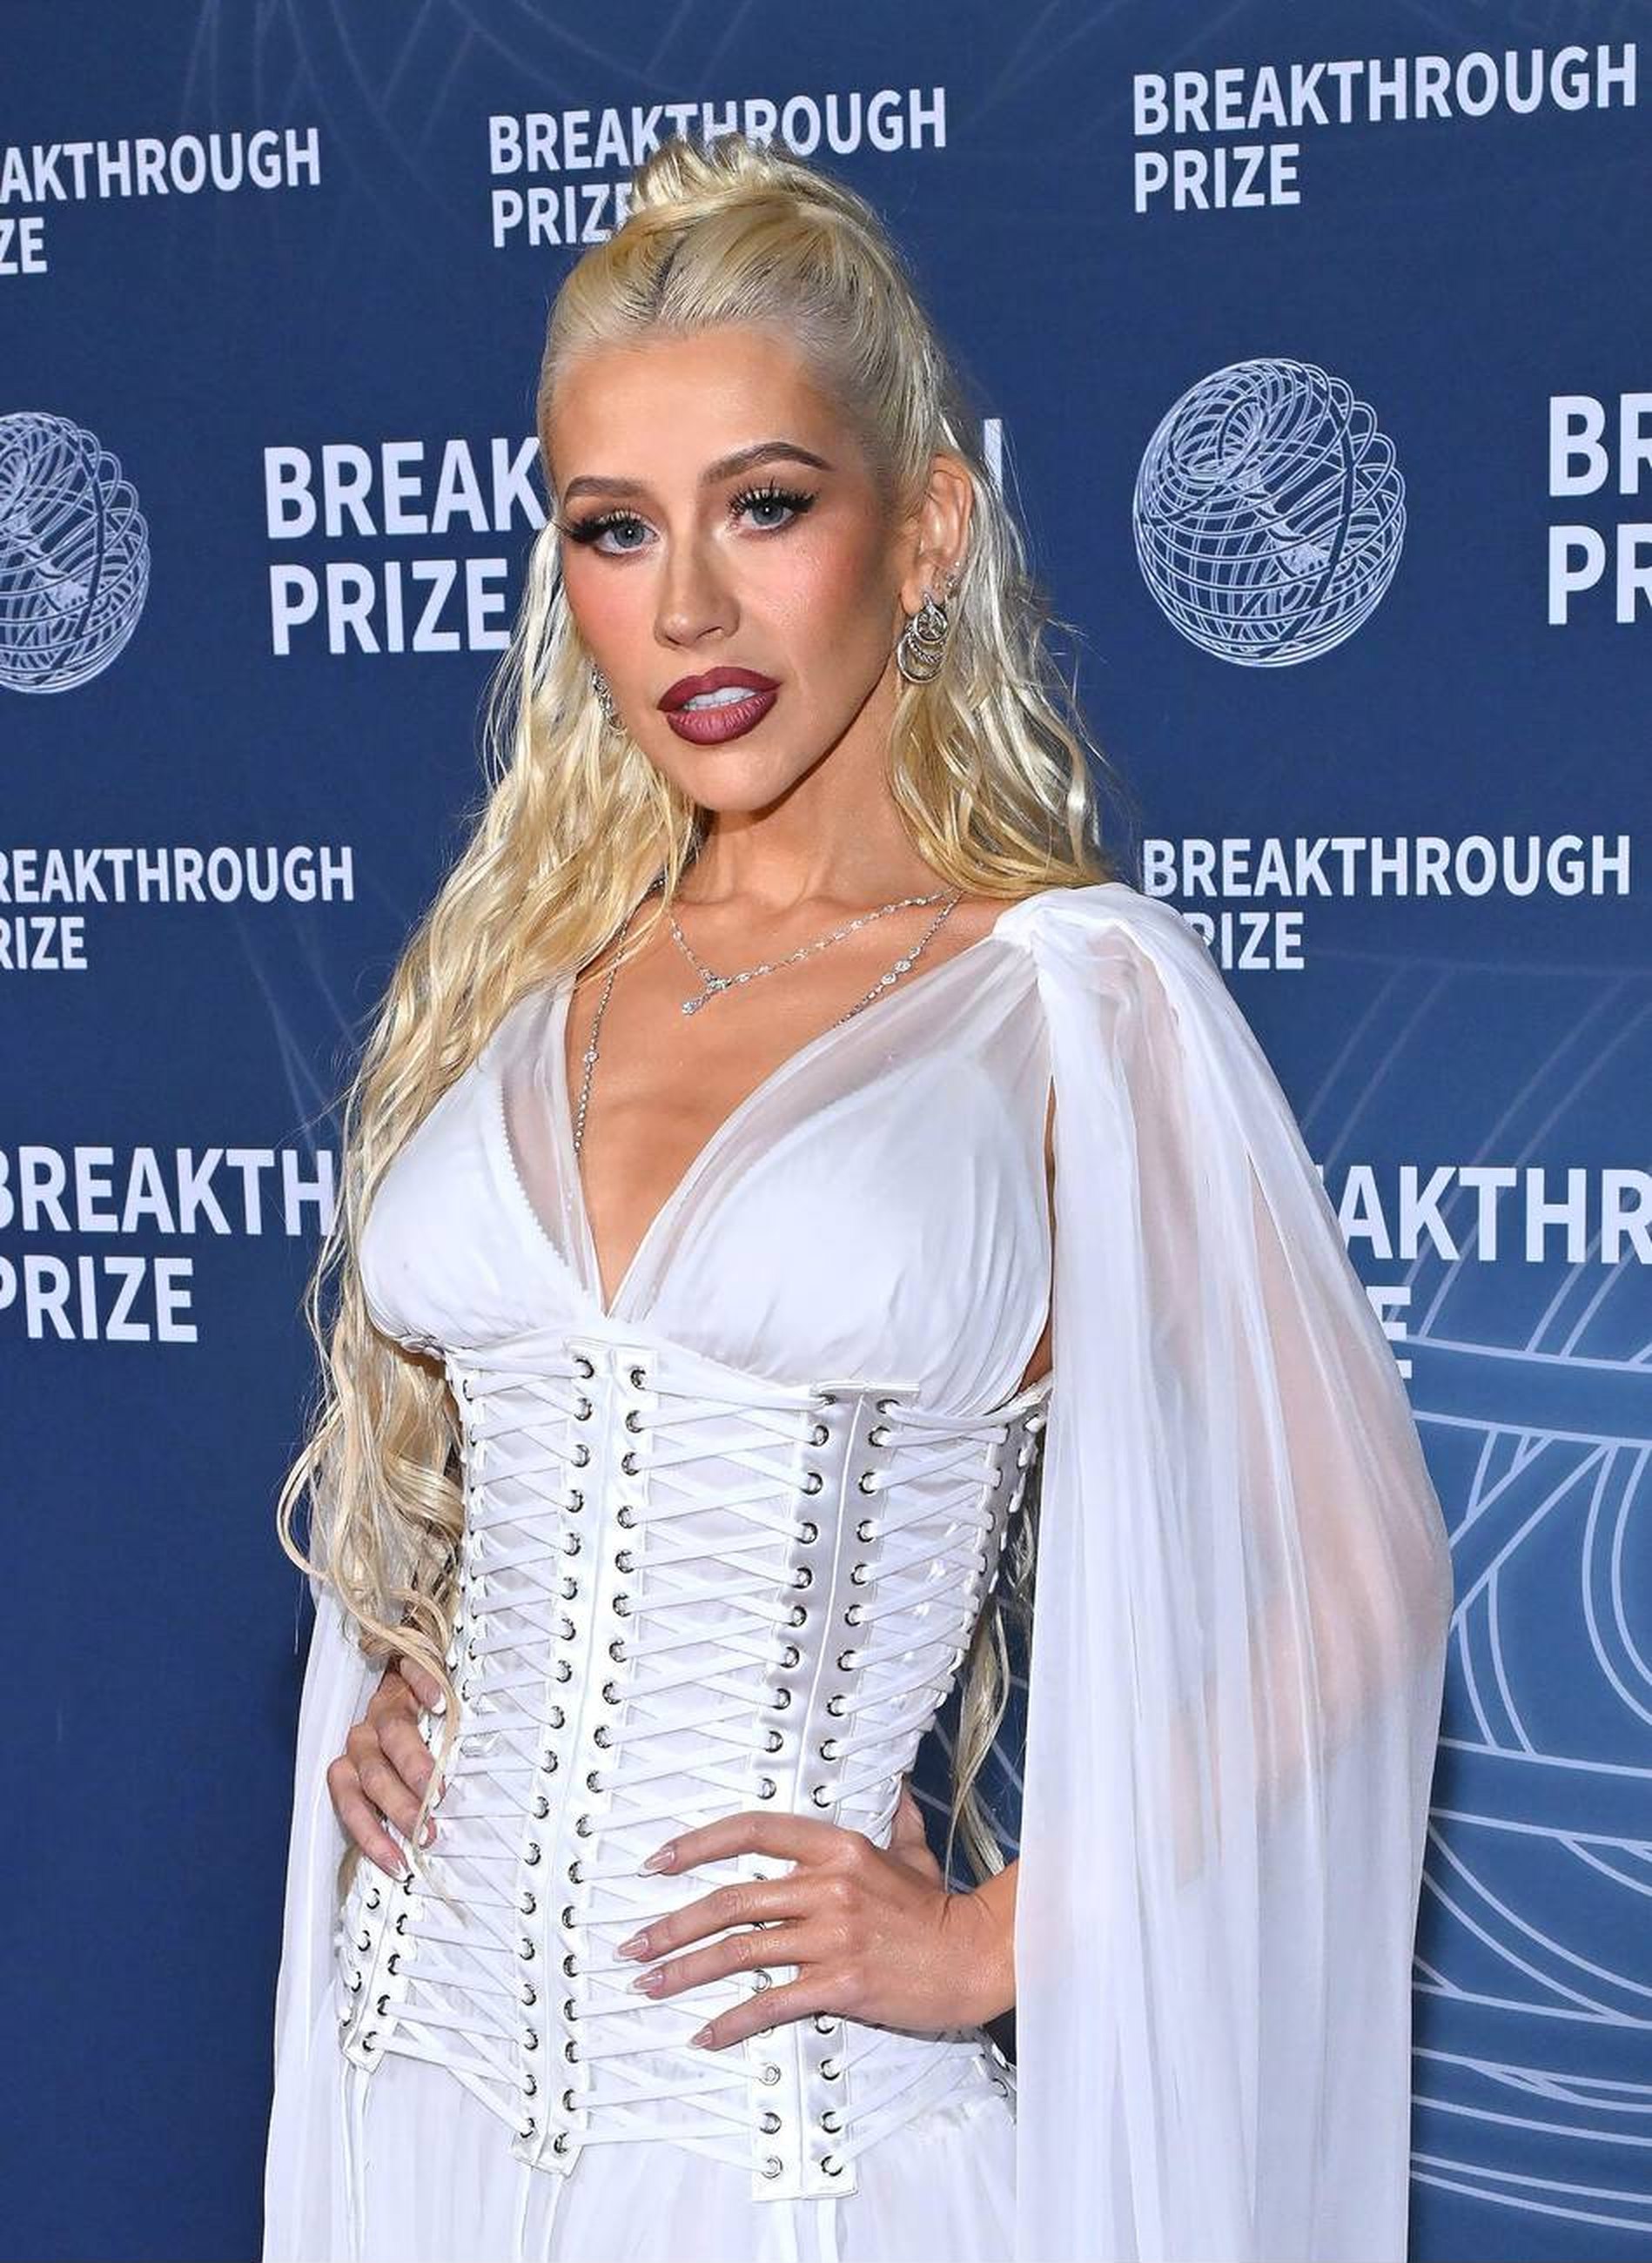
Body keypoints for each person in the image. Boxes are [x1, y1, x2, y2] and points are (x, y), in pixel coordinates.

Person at [260, 133, 1455, 2263]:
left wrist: (1000, 1937)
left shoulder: (1063, 1000)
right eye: (614, 529)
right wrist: (384, 1694)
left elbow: (1357, 1583)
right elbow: (490, 1482)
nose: (686, 610)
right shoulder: (531, 974)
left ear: (926, 531)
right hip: (409, 2087)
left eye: (765, 506)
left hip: (783, 2151)